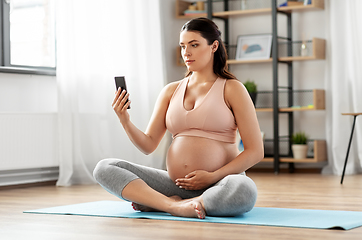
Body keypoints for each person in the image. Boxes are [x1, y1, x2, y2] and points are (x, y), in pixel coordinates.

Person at [93, 17, 264, 219]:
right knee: (105, 168)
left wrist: (212, 176)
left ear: (214, 46)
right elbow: (148, 145)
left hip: (220, 183)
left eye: (194, 45)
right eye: (183, 46)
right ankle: (173, 205)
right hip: (175, 184)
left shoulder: (232, 88)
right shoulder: (170, 91)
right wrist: (124, 119)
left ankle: (167, 203)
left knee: (244, 189)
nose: (186, 53)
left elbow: (255, 151)